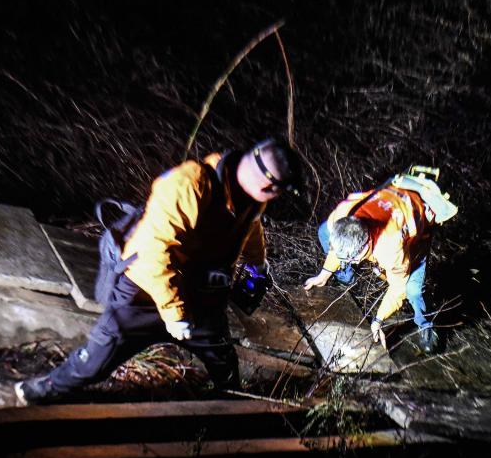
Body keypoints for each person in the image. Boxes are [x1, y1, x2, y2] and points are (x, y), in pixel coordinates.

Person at [15, 138, 302, 405]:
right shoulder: (189, 184)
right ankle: (44, 389)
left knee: (222, 360)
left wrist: (257, 263)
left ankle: (228, 406)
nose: (274, 199)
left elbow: (250, 226)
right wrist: (175, 314)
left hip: (200, 295)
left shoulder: (252, 197)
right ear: (267, 184)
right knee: (96, 361)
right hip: (146, 291)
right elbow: (154, 254)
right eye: (277, 192)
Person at [303, 167, 456, 354]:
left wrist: (378, 320)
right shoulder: (342, 214)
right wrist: (325, 273)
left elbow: (397, 287)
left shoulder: (391, 248)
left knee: (412, 289)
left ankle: (425, 325)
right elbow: (338, 247)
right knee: (323, 231)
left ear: (365, 248)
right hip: (392, 197)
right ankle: (344, 276)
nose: (352, 260)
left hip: (417, 220)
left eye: (351, 259)